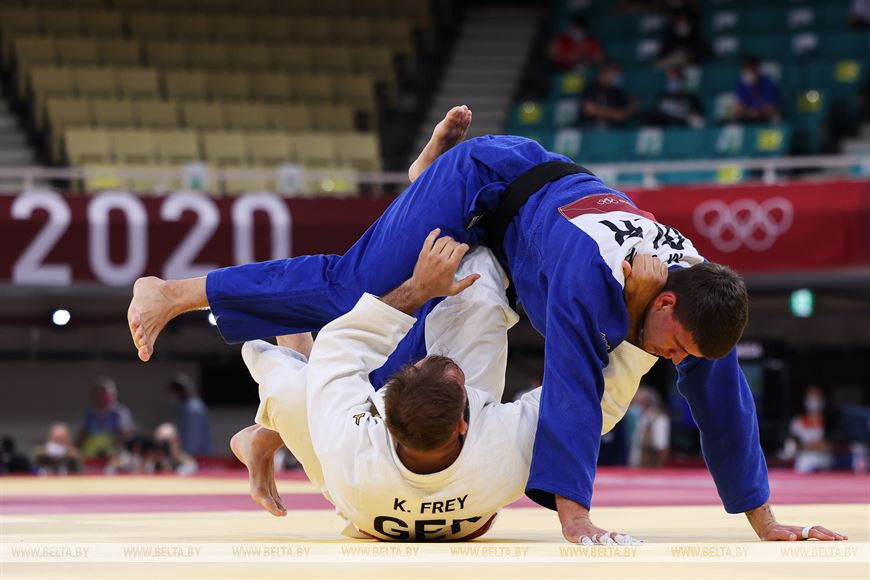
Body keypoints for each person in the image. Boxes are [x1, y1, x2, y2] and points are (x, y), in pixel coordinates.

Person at [127, 106, 846, 544]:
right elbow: (574, 394)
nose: (674, 360)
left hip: (523, 221)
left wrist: (765, 520)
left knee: (423, 374)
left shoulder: (699, 296)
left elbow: (725, 404)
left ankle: (420, 191)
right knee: (352, 289)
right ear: (663, 304)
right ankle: (176, 291)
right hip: (486, 184)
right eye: (675, 346)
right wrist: (575, 519)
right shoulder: (591, 283)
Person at [232, 236, 664, 542]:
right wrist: (637, 309)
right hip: (459, 486)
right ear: (464, 423)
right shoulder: (502, 447)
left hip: (356, 495)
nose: (428, 357)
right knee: (478, 302)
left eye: (421, 364)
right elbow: (593, 404)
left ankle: (269, 428)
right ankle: (474, 234)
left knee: (294, 387)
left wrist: (418, 289)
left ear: (380, 411)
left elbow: (340, 345)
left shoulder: (350, 443)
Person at [77, 377, 134, 459]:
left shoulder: (120, 413)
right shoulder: (89, 414)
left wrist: (116, 442)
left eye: (109, 393)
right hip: (92, 455)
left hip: (115, 454)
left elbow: (127, 435)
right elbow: (82, 436)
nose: (105, 396)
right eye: (101, 393)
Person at [783, 386, 833, 473]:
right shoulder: (797, 421)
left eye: (817, 397)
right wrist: (813, 446)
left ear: (823, 400)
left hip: (825, 464)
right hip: (803, 464)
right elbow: (792, 445)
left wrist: (805, 446)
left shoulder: (829, 421)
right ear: (805, 400)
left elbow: (830, 446)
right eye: (811, 397)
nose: (814, 401)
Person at [577, 61, 639, 128]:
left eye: (617, 74)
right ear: (604, 73)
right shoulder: (591, 86)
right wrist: (613, 114)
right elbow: (588, 109)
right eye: (613, 74)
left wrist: (628, 109)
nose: (615, 77)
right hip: (588, 127)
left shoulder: (616, 91)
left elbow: (624, 112)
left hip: (610, 128)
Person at [168, 374, 211, 456]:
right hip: (190, 455)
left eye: (176, 391)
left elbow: (193, 437)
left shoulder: (194, 408)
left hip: (198, 456)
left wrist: (187, 456)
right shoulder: (184, 406)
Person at [627, 386, 670, 467]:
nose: (634, 405)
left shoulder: (659, 418)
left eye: (637, 402)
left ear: (646, 402)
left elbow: (661, 446)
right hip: (635, 461)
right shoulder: (637, 417)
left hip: (650, 463)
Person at [732, 56, 780, 123]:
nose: (747, 72)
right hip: (747, 116)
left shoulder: (768, 83)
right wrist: (748, 112)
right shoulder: (741, 84)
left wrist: (756, 112)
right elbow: (740, 106)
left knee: (775, 115)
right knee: (735, 113)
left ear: (757, 68)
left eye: (750, 69)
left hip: (765, 117)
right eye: (744, 69)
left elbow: (771, 107)